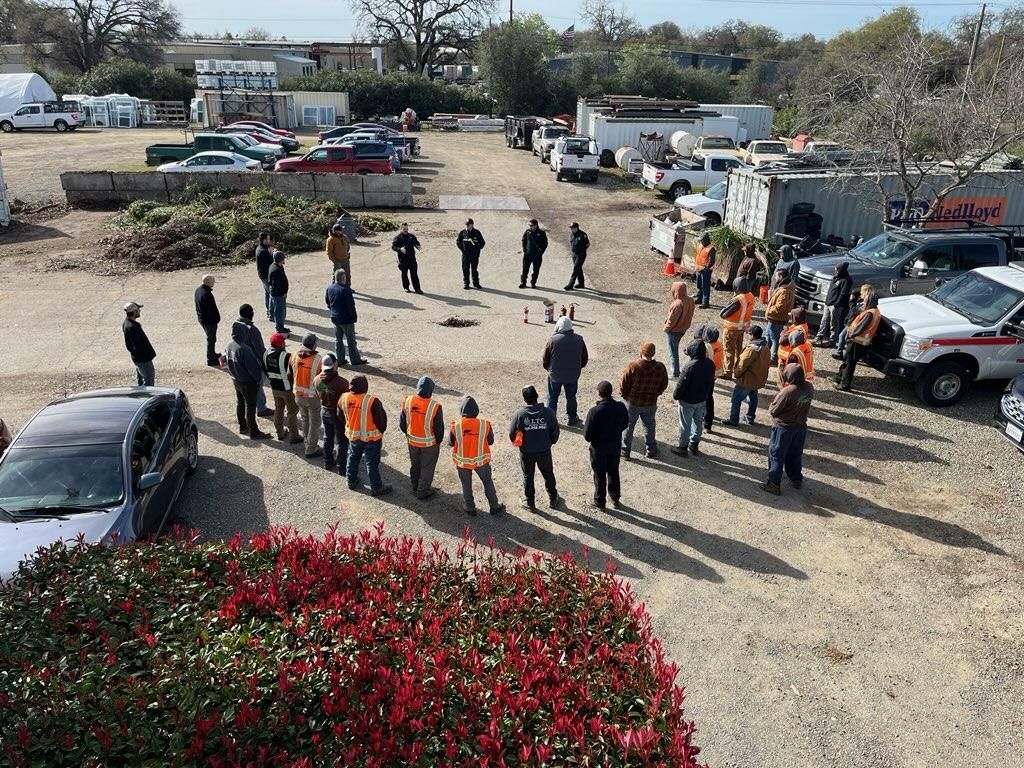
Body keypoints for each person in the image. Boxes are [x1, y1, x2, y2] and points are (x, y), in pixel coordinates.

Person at [763, 362, 814, 495]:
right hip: (801, 426)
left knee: (776, 455)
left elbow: (774, 410)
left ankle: (774, 484)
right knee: (795, 454)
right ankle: (796, 479)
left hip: (784, 428)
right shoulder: (809, 387)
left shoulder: (787, 392)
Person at [509, 385, 561, 512]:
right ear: (537, 396)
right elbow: (555, 432)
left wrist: (520, 443)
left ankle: (530, 503)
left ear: (524, 399)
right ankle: (553, 498)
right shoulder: (549, 412)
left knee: (528, 476)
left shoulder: (519, 415)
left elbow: (512, 434)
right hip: (544, 450)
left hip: (526, 452)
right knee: (548, 473)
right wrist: (550, 442)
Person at [449, 396, 505, 516]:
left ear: (462, 411)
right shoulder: (485, 425)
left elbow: (451, 442)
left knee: (466, 484)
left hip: (463, 462)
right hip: (481, 461)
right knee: (487, 482)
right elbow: (490, 441)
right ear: (476, 411)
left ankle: (470, 507)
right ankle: (494, 505)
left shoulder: (456, 425)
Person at [341, 375, 392, 496]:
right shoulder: (372, 401)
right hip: (372, 438)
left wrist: (351, 425)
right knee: (372, 462)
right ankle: (376, 487)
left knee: (353, 457)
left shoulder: (344, 398)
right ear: (365, 386)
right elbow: (381, 419)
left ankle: (351, 480)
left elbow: (340, 415)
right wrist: (381, 431)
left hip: (354, 435)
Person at [619, 342, 669, 460]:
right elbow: (664, 383)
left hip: (633, 403)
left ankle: (625, 451)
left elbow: (623, 384)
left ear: (641, 352)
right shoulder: (660, 367)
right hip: (650, 402)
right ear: (653, 353)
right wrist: (657, 393)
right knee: (649, 425)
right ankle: (651, 450)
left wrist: (626, 396)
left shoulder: (634, 366)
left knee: (628, 426)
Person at [583, 380, 629, 510]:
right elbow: (625, 423)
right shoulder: (620, 407)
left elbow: (587, 435)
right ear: (611, 392)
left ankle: (599, 501)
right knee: (614, 472)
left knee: (599, 474)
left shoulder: (594, 411)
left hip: (598, 448)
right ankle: (615, 498)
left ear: (598, 393)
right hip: (614, 446)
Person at [399, 376, 445, 500]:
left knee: (415, 464)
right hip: (429, 444)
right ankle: (423, 491)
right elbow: (439, 429)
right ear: (431, 390)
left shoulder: (407, 401)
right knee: (427, 467)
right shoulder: (435, 406)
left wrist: (409, 434)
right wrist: (438, 441)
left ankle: (415, 485)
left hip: (412, 441)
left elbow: (402, 423)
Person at [225, 324, 270, 440]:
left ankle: (243, 426)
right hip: (248, 382)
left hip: (236, 380)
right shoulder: (244, 349)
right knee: (250, 407)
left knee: (240, 403)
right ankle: (254, 432)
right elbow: (254, 369)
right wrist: (258, 380)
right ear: (243, 333)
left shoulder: (229, 345)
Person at [671, 339, 715, 457]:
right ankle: (694, 444)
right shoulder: (710, 364)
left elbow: (681, 385)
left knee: (685, 424)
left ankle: (682, 447)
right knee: (698, 422)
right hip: (702, 399)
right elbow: (711, 382)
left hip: (688, 401)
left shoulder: (689, 367)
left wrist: (676, 396)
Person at [542, 316, 588, 427]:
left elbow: (545, 358)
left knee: (552, 396)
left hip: (555, 375)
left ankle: (551, 419)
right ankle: (572, 417)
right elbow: (584, 358)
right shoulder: (579, 339)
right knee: (571, 396)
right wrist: (577, 368)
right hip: (573, 375)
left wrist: (549, 369)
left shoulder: (553, 340)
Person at [723, 325, 771, 426]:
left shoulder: (751, 349)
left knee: (736, 399)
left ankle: (733, 420)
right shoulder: (765, 346)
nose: (748, 336)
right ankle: (750, 418)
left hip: (747, 380)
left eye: (749, 334)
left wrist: (736, 374)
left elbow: (742, 365)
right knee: (753, 398)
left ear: (752, 335)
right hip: (757, 378)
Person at [835, 293, 881, 391]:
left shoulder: (869, 313)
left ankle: (844, 384)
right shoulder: (876, 312)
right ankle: (839, 378)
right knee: (848, 361)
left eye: (865, 300)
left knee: (849, 363)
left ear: (869, 301)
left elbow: (860, 328)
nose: (863, 301)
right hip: (862, 342)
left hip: (856, 341)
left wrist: (851, 335)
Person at [234, 305, 273, 417]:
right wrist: (266, 361)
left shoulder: (236, 325)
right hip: (253, 359)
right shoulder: (252, 330)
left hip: (240, 358)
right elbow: (259, 349)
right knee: (258, 383)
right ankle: (261, 408)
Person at [263, 332, 302, 443]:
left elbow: (266, 371)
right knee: (292, 412)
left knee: (278, 410)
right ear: (281, 344)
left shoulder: (265, 354)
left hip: (275, 388)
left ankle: (279, 432)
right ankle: (294, 435)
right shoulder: (287, 357)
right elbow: (294, 373)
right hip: (287, 389)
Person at [290, 334, 323, 458]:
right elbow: (321, 381)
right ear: (313, 345)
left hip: (298, 395)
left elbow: (290, 374)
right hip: (312, 397)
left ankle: (307, 443)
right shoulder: (319, 360)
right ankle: (310, 449)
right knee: (315, 423)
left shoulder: (293, 356)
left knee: (305, 419)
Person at [314, 354, 349, 470]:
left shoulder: (317, 380)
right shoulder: (342, 383)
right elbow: (347, 400)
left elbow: (319, 393)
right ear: (335, 365)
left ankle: (327, 461)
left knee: (328, 438)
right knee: (342, 441)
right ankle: (341, 466)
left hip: (324, 411)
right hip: (338, 415)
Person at [325, 269, 366, 366]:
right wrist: (354, 317)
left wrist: (333, 311)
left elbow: (328, 302)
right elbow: (351, 306)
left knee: (338, 340)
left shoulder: (329, 288)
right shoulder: (346, 290)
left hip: (335, 317)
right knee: (351, 340)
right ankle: (355, 359)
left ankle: (340, 359)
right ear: (343, 278)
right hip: (346, 319)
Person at [719, 277, 754, 379]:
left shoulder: (738, 300)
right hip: (742, 328)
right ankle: (738, 369)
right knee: (739, 349)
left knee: (729, 350)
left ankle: (727, 372)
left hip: (731, 329)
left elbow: (723, 314)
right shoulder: (750, 296)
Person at [814, 261, 852, 347]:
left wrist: (836, 304)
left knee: (834, 323)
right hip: (828, 303)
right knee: (824, 321)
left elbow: (843, 294)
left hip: (836, 306)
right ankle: (819, 338)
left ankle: (832, 340)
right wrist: (827, 301)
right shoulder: (835, 277)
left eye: (837, 270)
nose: (836, 271)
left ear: (841, 270)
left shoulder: (846, 280)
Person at [663, 281, 695, 378]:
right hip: (683, 329)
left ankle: (675, 372)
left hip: (674, 331)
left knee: (673, 352)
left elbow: (671, 320)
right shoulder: (691, 300)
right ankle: (675, 371)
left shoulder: (677, 304)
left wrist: (666, 329)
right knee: (675, 349)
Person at [765, 268, 796, 364]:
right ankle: (765, 354)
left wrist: (769, 311)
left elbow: (780, 307)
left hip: (776, 319)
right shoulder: (785, 287)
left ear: (781, 276)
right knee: (769, 337)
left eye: (776, 276)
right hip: (775, 318)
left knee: (774, 339)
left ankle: (773, 358)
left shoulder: (784, 291)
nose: (775, 277)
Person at [122, 301, 156, 386]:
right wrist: (147, 355)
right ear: (134, 312)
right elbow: (136, 346)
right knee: (148, 382)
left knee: (141, 381)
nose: (139, 311)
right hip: (143, 360)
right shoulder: (132, 327)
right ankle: (146, 397)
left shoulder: (127, 323)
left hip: (138, 359)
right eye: (138, 310)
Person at [833, 284, 872, 358]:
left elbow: (854, 311)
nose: (860, 292)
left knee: (845, 338)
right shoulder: (861, 300)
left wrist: (851, 301)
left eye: (861, 290)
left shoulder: (865, 303)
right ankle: (841, 353)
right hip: (851, 322)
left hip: (854, 323)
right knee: (844, 337)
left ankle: (843, 353)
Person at [194, 275, 221, 367]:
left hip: (203, 319)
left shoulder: (198, 290)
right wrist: (216, 319)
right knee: (211, 339)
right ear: (208, 282)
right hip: (209, 321)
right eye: (213, 281)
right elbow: (211, 310)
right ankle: (211, 359)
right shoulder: (206, 294)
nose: (214, 282)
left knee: (211, 339)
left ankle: (212, 354)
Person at [701, 326, 724, 432]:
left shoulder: (706, 347)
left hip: (705, 375)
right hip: (714, 375)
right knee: (709, 398)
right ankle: (708, 423)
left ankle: (704, 420)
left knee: (703, 398)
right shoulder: (719, 345)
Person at [391, 222, 423, 294]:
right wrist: (400, 249)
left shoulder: (411, 236)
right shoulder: (398, 238)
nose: (406, 230)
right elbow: (393, 247)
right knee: (404, 274)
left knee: (414, 274)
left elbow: (416, 243)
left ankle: (417, 289)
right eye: (404, 229)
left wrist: (418, 246)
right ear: (401, 229)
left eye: (407, 229)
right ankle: (406, 287)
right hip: (403, 260)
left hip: (412, 258)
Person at [456, 218, 486, 289]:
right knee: (465, 269)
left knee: (474, 269)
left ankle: (476, 283)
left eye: (468, 225)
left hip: (474, 255)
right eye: (466, 225)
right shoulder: (462, 233)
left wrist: (477, 250)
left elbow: (482, 242)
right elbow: (458, 242)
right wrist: (463, 249)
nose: (467, 226)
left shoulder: (477, 232)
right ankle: (466, 283)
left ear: (472, 225)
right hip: (466, 255)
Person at [520, 219, 548, 289]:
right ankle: (523, 282)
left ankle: (533, 283)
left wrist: (541, 252)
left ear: (536, 226)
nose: (530, 226)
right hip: (528, 254)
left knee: (536, 270)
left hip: (537, 255)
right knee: (525, 269)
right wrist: (524, 249)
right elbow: (524, 240)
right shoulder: (527, 232)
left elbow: (545, 243)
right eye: (529, 225)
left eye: (531, 225)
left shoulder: (541, 233)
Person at [267, 251, 290, 334]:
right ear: (281, 259)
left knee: (278, 311)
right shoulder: (276, 270)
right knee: (280, 313)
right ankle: (280, 329)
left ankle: (280, 326)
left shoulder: (275, 266)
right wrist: (283, 293)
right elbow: (277, 285)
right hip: (278, 295)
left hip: (276, 294)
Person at [564, 222, 590, 291]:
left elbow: (588, 244)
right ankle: (581, 283)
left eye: (573, 228)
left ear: (577, 228)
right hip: (574, 254)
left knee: (576, 268)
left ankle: (570, 284)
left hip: (581, 254)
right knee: (578, 268)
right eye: (571, 228)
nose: (572, 229)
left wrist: (582, 250)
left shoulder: (583, 235)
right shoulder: (572, 234)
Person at [255, 232, 275, 321]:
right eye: (267, 239)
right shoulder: (262, 251)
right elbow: (271, 263)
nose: (269, 241)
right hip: (265, 275)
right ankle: (271, 314)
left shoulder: (263, 248)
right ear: (263, 240)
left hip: (264, 275)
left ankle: (268, 311)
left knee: (267, 293)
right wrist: (271, 255)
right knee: (271, 294)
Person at [694, 232, 716, 308]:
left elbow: (711, 261)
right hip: (698, 269)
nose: (701, 242)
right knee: (699, 285)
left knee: (705, 286)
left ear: (706, 240)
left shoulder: (711, 248)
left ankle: (705, 302)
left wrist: (705, 268)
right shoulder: (701, 245)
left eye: (702, 240)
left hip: (705, 271)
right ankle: (699, 299)